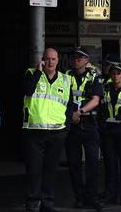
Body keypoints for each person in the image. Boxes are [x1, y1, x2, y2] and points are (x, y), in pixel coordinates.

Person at [22, 48, 74, 212]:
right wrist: (38, 71)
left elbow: (70, 106)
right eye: (47, 59)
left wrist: (66, 128)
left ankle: (47, 203)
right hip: (34, 132)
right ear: (42, 60)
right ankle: (32, 203)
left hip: (57, 133)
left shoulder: (66, 80)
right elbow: (28, 91)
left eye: (53, 59)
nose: (50, 62)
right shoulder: (31, 74)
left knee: (50, 171)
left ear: (58, 61)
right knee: (34, 170)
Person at [64, 47, 103, 210]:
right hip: (72, 126)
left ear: (87, 60)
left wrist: (79, 112)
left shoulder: (94, 76)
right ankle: (79, 197)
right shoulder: (66, 76)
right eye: (74, 57)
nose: (76, 60)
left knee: (93, 163)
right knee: (73, 164)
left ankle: (92, 197)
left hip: (89, 124)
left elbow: (96, 100)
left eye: (80, 57)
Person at [100, 62, 121, 208]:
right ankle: (110, 195)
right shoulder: (106, 88)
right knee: (110, 164)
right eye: (113, 73)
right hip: (109, 130)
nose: (115, 76)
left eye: (118, 73)